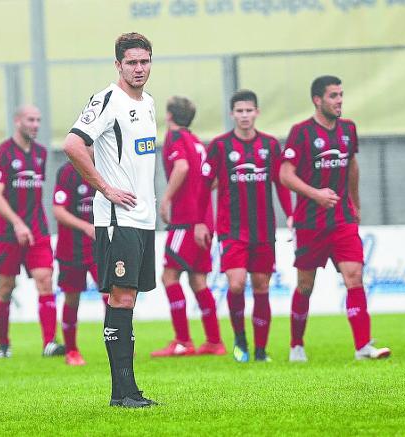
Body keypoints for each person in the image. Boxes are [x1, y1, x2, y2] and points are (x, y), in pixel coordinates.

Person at [63, 32, 158, 408]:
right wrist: (105, 188)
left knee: (128, 298)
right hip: (118, 218)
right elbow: (73, 144)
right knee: (121, 297)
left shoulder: (148, 102)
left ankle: (125, 393)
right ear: (118, 65)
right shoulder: (107, 99)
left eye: (145, 61)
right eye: (131, 62)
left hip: (143, 218)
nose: (139, 68)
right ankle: (124, 393)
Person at [279, 75, 391, 362]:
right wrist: (315, 194)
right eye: (333, 96)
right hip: (310, 222)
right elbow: (285, 174)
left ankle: (363, 346)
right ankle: (296, 345)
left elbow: (352, 164)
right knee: (306, 285)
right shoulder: (301, 132)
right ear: (318, 100)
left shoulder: (348, 129)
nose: (339, 100)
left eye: (341, 94)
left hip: (342, 220)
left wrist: (354, 202)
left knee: (354, 277)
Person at [195, 89, 293, 363]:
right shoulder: (219, 146)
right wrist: (200, 222)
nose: (245, 115)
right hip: (232, 230)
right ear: (232, 114)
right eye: (240, 111)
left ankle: (261, 351)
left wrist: (291, 214)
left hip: (263, 229)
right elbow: (203, 188)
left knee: (261, 285)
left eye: (249, 110)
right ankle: (240, 340)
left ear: (257, 113)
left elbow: (281, 183)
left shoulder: (271, 145)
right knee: (236, 284)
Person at [151, 96, 226, 357]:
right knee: (198, 280)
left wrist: (168, 198)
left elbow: (181, 167)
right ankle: (214, 342)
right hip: (204, 219)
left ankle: (182, 341)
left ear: (169, 116)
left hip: (185, 220)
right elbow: (212, 179)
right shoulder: (197, 143)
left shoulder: (175, 139)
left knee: (169, 277)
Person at [0, 104, 64, 359]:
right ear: (18, 121)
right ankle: (3, 345)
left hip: (37, 231)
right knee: (6, 287)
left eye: (39, 120)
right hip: (8, 234)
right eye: (31, 120)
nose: (35, 125)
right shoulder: (3, 153)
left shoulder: (41, 154)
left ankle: (49, 343)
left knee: (45, 280)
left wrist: (28, 224)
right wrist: (17, 223)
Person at [53, 160, 108, 365]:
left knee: (110, 294)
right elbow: (58, 211)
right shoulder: (67, 171)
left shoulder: (106, 167)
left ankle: (118, 344)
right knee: (72, 299)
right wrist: (86, 227)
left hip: (98, 247)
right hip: (71, 248)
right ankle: (72, 351)